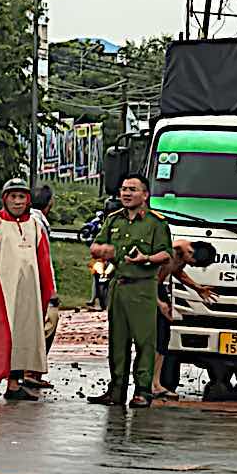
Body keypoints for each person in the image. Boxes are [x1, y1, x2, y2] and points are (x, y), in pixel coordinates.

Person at [87, 174, 172, 408]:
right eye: (124, 189)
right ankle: (116, 390)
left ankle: (143, 391)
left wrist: (146, 257)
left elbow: (166, 254)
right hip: (118, 285)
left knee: (145, 341)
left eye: (132, 189)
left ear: (145, 195)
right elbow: (95, 245)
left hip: (143, 287)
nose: (126, 194)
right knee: (117, 341)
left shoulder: (156, 223)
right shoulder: (113, 220)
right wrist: (102, 250)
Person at [0, 178, 56, 402]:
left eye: (22, 197)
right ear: (5, 199)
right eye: (13, 197)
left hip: (29, 292)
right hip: (3, 292)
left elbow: (44, 261)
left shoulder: (35, 226)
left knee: (25, 336)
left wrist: (49, 293)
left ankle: (14, 383)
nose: (18, 202)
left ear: (28, 200)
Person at [152, 239, 218, 399]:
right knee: (151, 338)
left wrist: (197, 288)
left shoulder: (182, 256)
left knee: (163, 337)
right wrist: (159, 303)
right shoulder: (169, 252)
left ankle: (156, 383)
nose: (193, 266)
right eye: (194, 264)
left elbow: (178, 272)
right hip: (146, 289)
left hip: (157, 289)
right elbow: (149, 278)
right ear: (191, 252)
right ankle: (148, 383)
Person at [25, 184, 60, 390]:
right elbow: (43, 260)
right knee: (47, 325)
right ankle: (32, 371)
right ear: (50, 203)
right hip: (38, 284)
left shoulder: (28, 220)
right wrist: (52, 291)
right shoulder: (39, 224)